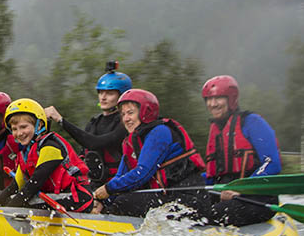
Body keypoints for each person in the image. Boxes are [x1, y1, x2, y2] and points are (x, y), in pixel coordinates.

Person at [93, 89, 207, 217]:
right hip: (165, 197)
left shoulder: (160, 132)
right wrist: (102, 200)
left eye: (130, 113)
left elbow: (142, 173)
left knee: (124, 202)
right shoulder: (130, 141)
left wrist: (109, 189)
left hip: (187, 200)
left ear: (145, 112)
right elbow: (120, 175)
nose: (126, 119)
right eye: (123, 114)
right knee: (113, 202)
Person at [199, 74, 281, 225]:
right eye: (209, 99)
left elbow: (272, 163)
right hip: (224, 194)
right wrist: (187, 184)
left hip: (256, 198)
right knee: (184, 209)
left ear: (231, 99)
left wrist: (242, 189)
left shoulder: (252, 122)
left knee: (208, 215)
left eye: (218, 98)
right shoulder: (216, 130)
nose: (212, 104)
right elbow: (212, 175)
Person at [0, 98, 94, 212]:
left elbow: (35, 183)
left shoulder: (50, 147)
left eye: (24, 127)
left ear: (38, 126)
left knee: (22, 205)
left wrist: (6, 211)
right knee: (11, 200)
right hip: (60, 197)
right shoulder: (25, 153)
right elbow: (15, 186)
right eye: (14, 129)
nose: (19, 133)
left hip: (79, 198)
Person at [44, 62, 132, 186]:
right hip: (94, 183)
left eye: (110, 93)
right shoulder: (95, 122)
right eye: (101, 92)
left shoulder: (125, 123)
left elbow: (94, 143)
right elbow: (83, 152)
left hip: (117, 183)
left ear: (122, 96)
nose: (103, 97)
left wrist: (61, 121)